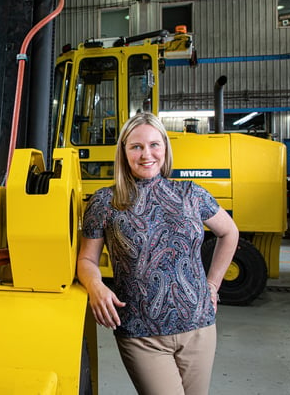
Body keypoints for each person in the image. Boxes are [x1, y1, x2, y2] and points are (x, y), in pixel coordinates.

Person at [77, 112, 239, 395]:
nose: (146, 154)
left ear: (165, 148)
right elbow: (86, 259)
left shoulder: (192, 194)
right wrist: (95, 286)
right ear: (124, 152)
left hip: (199, 326)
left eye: (154, 145)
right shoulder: (105, 201)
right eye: (136, 146)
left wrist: (213, 285)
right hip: (141, 333)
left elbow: (230, 233)